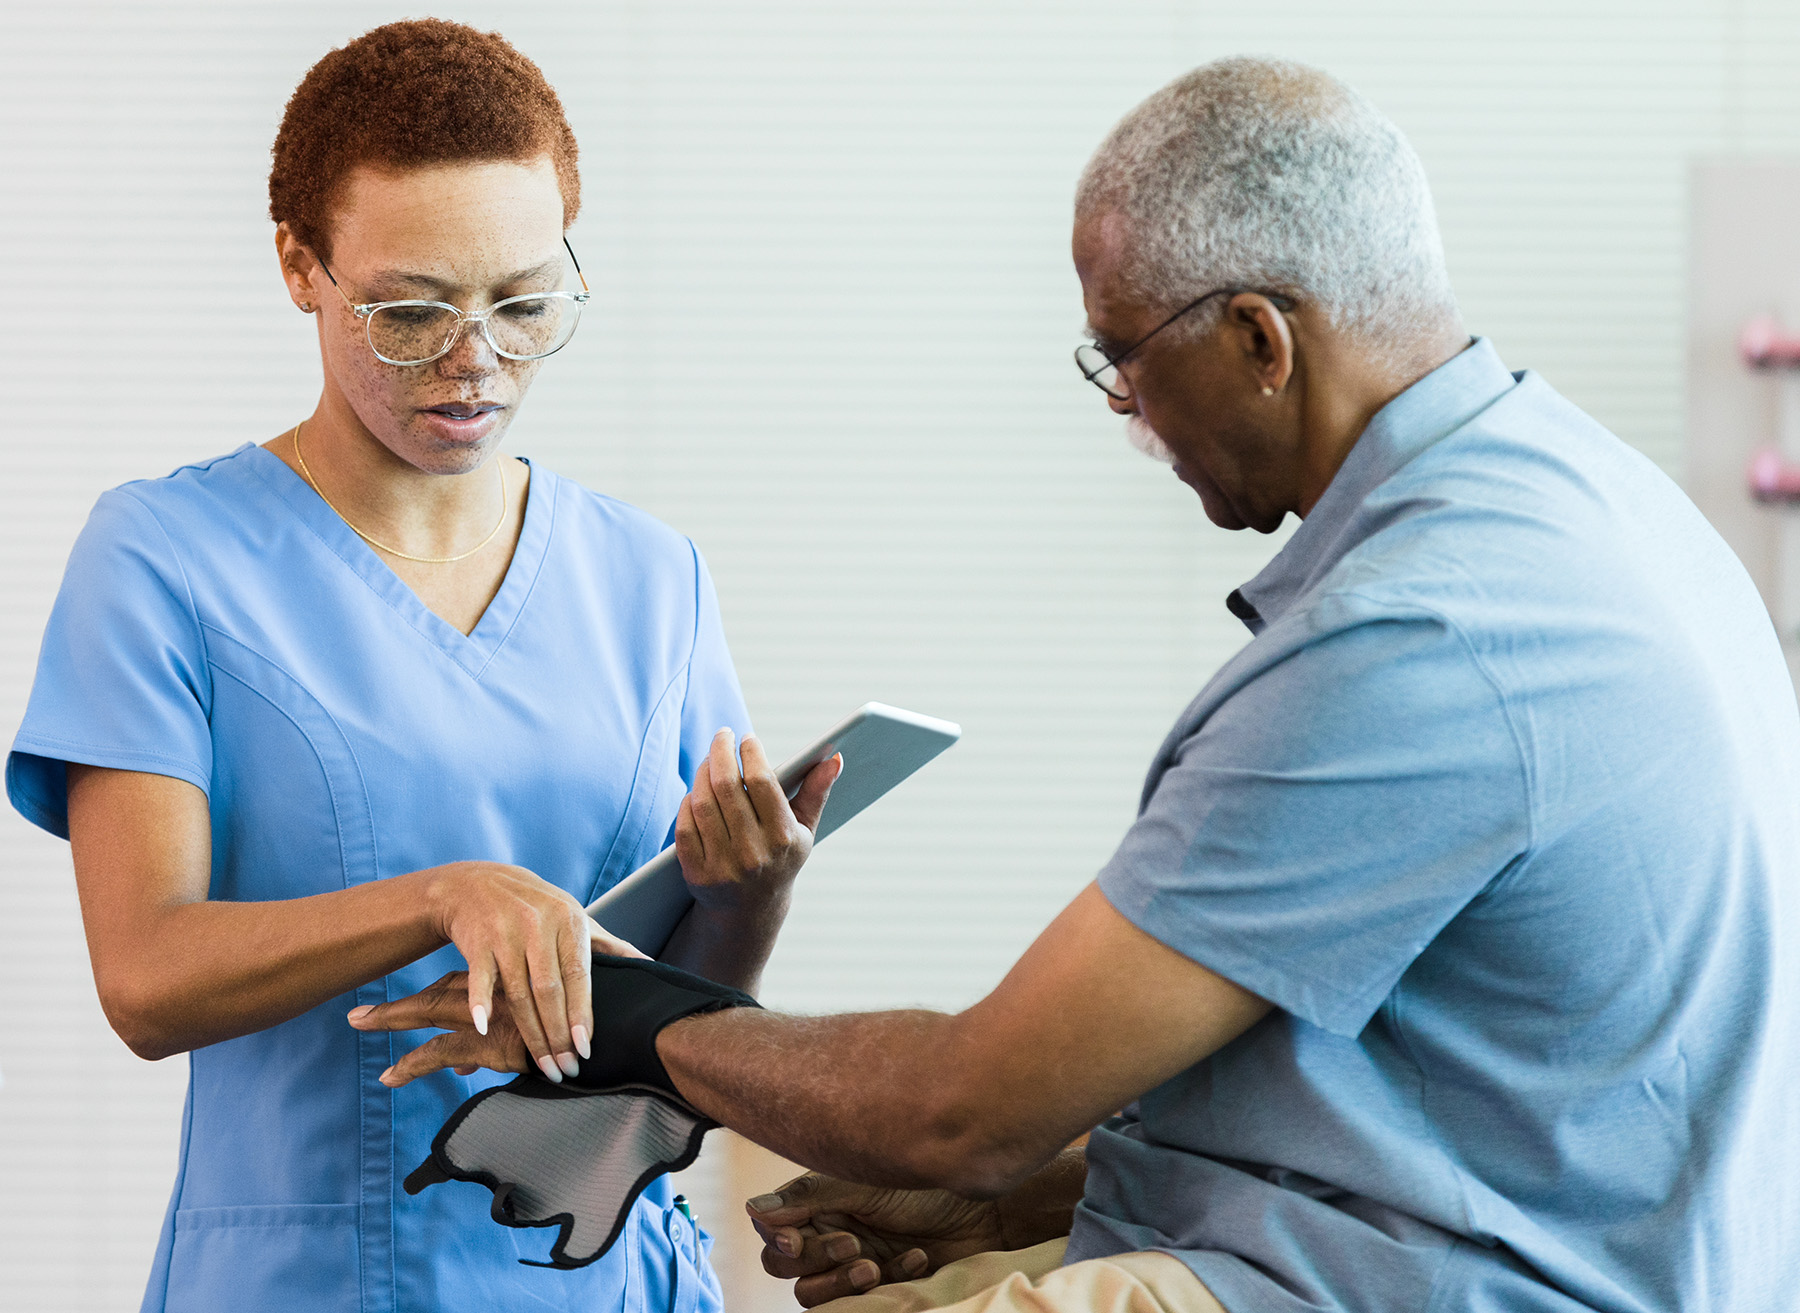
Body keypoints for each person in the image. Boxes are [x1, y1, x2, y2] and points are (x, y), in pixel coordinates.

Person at [359, 57, 1800, 1313]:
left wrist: (629, 1019)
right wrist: (1019, 1200)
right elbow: (1455, 1095)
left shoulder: (1413, 641)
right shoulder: (1608, 512)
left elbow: (960, 1107)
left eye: (1123, 360)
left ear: (1257, 337)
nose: (1127, 415)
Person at [5, 19, 837, 1313]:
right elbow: (146, 979)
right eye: (411, 310)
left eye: (523, 303)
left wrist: (753, 888)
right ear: (301, 264)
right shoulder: (166, 556)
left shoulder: (647, 574)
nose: (475, 359)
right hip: (304, 1280)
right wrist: (443, 894)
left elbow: (686, 1007)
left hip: (608, 1280)